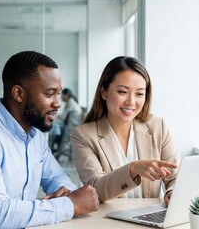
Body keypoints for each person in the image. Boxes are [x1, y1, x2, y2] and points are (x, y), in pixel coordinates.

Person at [0, 51, 99, 229]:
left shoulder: (35, 137)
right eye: (49, 94)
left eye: (58, 94)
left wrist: (67, 193)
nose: (57, 103)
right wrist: (70, 204)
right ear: (18, 93)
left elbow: (57, 177)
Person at [70, 56, 180, 206]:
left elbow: (175, 177)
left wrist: (172, 192)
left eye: (139, 94)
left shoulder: (158, 126)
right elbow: (96, 189)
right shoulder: (83, 135)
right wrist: (133, 169)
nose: (131, 102)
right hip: (108, 220)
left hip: (149, 217)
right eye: (122, 92)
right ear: (104, 91)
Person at [54, 88, 82, 161]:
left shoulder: (70, 102)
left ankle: (58, 155)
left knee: (63, 140)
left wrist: (55, 117)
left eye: (62, 95)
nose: (61, 97)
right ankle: (62, 154)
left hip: (72, 124)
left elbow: (63, 116)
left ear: (66, 95)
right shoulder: (71, 101)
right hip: (75, 124)